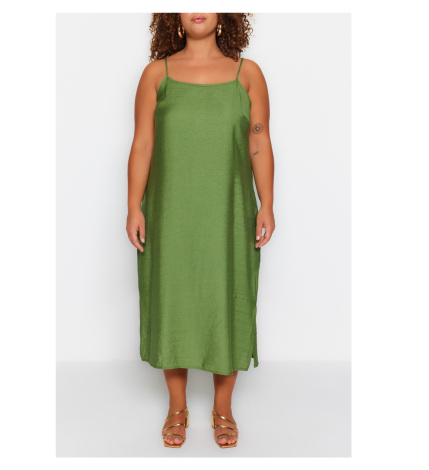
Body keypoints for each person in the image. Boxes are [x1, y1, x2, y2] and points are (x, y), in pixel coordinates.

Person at [126, 13, 275, 448]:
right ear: (173, 17)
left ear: (224, 15)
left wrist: (267, 202)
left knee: (226, 296)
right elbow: (143, 143)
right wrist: (133, 206)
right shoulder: (157, 75)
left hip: (228, 211)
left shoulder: (248, 74)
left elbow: (259, 139)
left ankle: (222, 407)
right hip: (170, 211)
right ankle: (177, 406)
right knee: (172, 298)